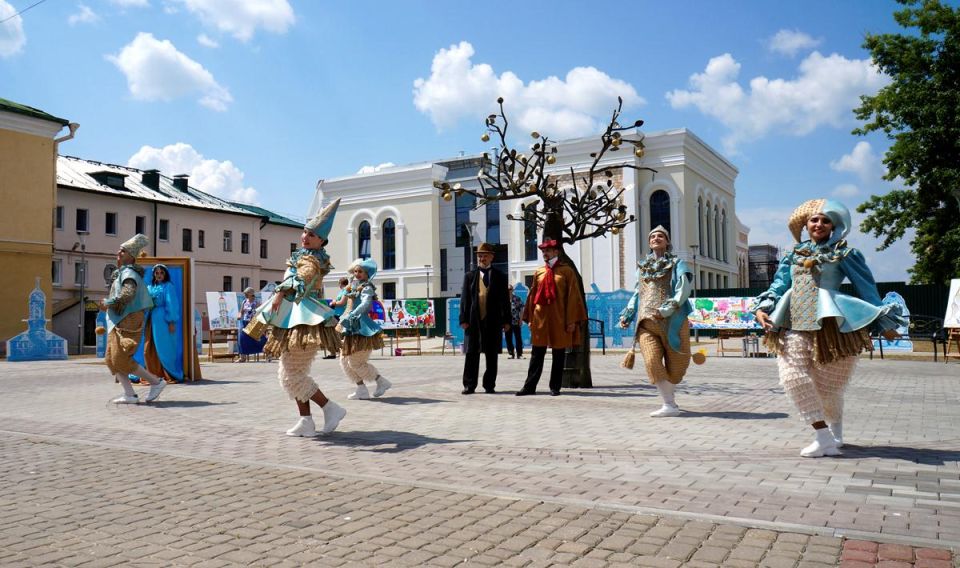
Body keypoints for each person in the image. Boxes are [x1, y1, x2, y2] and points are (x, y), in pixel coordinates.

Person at [754, 199, 903, 457]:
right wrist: (762, 308)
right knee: (792, 377)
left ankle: (835, 432)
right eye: (814, 219)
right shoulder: (794, 254)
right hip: (795, 322)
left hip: (834, 325)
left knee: (828, 388)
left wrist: (883, 322)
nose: (819, 224)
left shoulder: (845, 253)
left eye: (825, 220)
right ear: (806, 224)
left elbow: (867, 288)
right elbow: (779, 285)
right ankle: (823, 435)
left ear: (833, 224)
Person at [251, 198, 346, 437]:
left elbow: (303, 276)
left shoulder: (311, 260)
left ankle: (330, 408)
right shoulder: (303, 255)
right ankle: (306, 420)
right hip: (294, 316)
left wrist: (280, 292)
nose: (305, 237)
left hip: (305, 319)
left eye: (312, 235)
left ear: (321, 241)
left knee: (292, 374)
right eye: (305, 231)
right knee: (289, 373)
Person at [618, 226, 694, 417]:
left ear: (667, 242)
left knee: (676, 368)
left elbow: (683, 289)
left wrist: (668, 308)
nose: (656, 238)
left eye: (660, 236)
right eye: (652, 236)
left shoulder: (677, 263)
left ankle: (669, 393)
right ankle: (669, 404)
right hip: (646, 323)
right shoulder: (642, 267)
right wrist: (627, 314)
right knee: (652, 362)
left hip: (672, 322)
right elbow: (638, 292)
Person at [99, 234, 166, 404]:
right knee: (111, 360)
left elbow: (127, 294)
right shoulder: (122, 272)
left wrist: (108, 302)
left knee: (120, 358)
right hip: (118, 319)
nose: (119, 253)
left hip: (128, 318)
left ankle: (156, 382)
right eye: (120, 250)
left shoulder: (129, 273)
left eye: (123, 251)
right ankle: (129, 394)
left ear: (131, 256)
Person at [516, 237, 587, 396]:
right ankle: (529, 386)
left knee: (559, 353)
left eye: (547, 250)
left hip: (559, 318)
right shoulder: (539, 272)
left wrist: (571, 321)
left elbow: (573, 297)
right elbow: (532, 296)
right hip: (540, 317)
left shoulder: (566, 271)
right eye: (543, 251)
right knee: (537, 353)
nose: (545, 253)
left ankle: (555, 386)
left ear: (556, 251)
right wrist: (530, 318)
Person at [459, 243, 511, 394]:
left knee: (492, 354)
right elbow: (465, 299)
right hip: (473, 321)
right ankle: (469, 384)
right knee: (471, 353)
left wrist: (506, 320)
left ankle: (489, 385)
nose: (482, 258)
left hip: (493, 321)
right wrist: (463, 319)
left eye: (485, 255)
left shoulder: (501, 276)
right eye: (479, 255)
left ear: (492, 257)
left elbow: (504, 301)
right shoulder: (469, 276)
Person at [337, 258, 392, 400]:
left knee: (356, 362)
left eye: (360, 271)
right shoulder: (353, 286)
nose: (357, 274)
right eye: (355, 271)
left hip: (361, 327)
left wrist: (353, 314)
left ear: (367, 273)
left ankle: (381, 381)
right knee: (344, 360)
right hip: (350, 326)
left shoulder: (366, 287)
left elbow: (366, 304)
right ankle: (361, 389)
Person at [142, 264, 183, 383]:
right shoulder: (150, 287)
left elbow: (172, 304)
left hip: (162, 321)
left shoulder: (168, 286)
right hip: (151, 319)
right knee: (149, 347)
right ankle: (152, 372)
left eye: (161, 273)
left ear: (165, 274)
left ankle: (167, 372)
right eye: (157, 273)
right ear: (154, 274)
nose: (159, 275)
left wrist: (171, 321)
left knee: (163, 346)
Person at [324, 277, 350, 359]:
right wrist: (334, 301)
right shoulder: (342, 291)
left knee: (336, 333)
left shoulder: (346, 291)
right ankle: (334, 351)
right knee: (333, 332)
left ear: (340, 284)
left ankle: (338, 351)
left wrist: (334, 303)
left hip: (340, 315)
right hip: (336, 314)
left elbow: (342, 303)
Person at [237, 287, 266, 363]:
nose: (245, 295)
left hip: (254, 322)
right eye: (245, 294)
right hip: (245, 322)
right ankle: (242, 357)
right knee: (242, 338)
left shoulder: (257, 302)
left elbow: (260, 312)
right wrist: (239, 315)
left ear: (251, 294)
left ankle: (267, 352)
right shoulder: (244, 302)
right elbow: (241, 311)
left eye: (246, 294)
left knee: (259, 338)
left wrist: (256, 318)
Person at [504, 284, 525, 359]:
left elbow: (521, 309)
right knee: (508, 338)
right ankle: (511, 353)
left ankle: (519, 354)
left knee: (518, 338)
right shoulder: (503, 300)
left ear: (512, 290)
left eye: (510, 289)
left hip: (516, 321)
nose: (509, 291)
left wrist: (521, 320)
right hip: (507, 323)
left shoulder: (517, 298)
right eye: (507, 289)